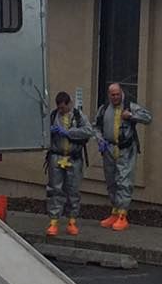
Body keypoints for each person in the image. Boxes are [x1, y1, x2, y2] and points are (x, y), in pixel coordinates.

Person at [94, 83, 152, 231]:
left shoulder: (130, 107)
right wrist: (100, 140)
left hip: (126, 149)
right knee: (111, 181)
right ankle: (115, 211)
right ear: (109, 95)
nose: (115, 97)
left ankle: (122, 214)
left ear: (121, 93)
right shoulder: (103, 109)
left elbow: (148, 118)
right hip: (109, 149)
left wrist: (131, 116)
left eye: (117, 94)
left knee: (124, 181)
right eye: (112, 95)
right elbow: (96, 127)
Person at [45, 91, 95, 237]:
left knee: (73, 190)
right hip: (56, 157)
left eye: (63, 107)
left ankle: (72, 221)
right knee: (55, 189)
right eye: (59, 107)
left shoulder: (79, 116)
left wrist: (68, 132)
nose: (61, 110)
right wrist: (50, 131)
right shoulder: (53, 116)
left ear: (69, 104)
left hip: (74, 158)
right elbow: (42, 131)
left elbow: (88, 131)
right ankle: (53, 221)